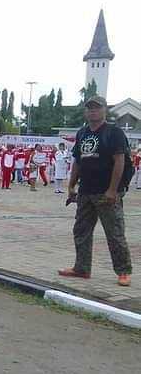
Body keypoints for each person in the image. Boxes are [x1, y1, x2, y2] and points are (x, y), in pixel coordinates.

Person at [59, 96, 132, 287]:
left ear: (104, 110)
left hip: (106, 192)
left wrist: (112, 190)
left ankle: (123, 271)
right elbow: (78, 161)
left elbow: (120, 161)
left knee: (114, 233)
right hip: (86, 191)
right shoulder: (82, 133)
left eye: (97, 108)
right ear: (86, 112)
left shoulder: (113, 132)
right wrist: (71, 186)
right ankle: (81, 268)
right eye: (90, 108)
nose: (93, 111)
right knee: (81, 231)